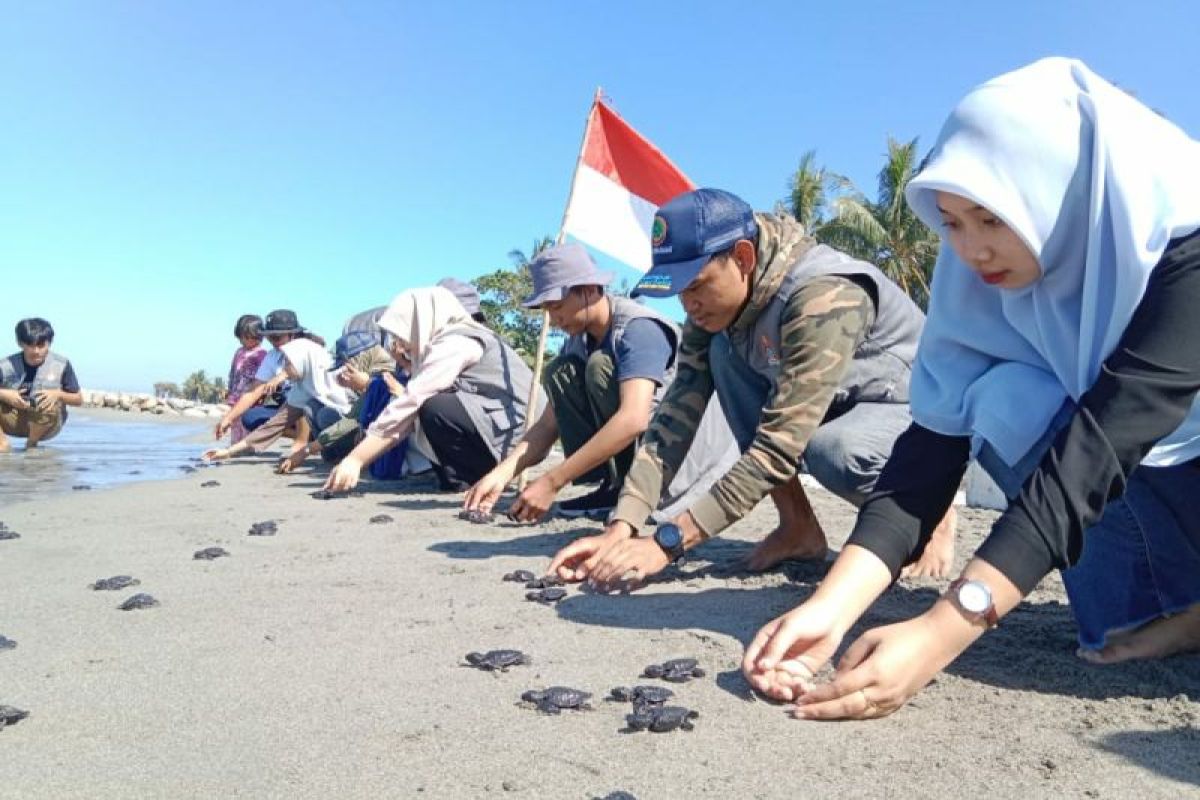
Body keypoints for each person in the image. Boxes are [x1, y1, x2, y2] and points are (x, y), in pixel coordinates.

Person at [741, 58, 1200, 721]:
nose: (971, 248)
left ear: (1062, 192)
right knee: (1002, 396)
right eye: (952, 221)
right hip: (1148, 461)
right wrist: (831, 608)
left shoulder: (1182, 236)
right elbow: (931, 447)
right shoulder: (981, 279)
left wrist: (943, 629)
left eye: (991, 217)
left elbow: (1102, 443)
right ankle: (1169, 609)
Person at [550, 186, 950, 583]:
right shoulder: (714, 311)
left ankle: (929, 508)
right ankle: (798, 527)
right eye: (678, 291)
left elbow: (779, 446)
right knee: (723, 353)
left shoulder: (823, 297)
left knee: (836, 452)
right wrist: (622, 527)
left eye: (695, 285)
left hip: (918, 415)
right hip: (830, 406)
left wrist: (668, 543)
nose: (687, 305)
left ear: (743, 257)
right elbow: (674, 416)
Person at [463, 243, 680, 521]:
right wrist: (500, 475)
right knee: (560, 371)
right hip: (638, 453)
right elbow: (548, 425)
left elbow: (633, 419)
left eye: (557, 307)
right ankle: (613, 485)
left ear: (589, 290)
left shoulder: (639, 329)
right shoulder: (579, 341)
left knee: (599, 365)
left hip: (673, 463)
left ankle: (636, 489)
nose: (553, 321)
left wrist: (553, 482)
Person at [324, 286, 545, 493]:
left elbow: (412, 400)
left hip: (519, 437)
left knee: (432, 406)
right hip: (505, 427)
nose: (401, 344)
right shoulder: (454, 339)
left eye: (404, 333)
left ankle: (475, 477)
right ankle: (461, 477)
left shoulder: (456, 342)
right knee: (428, 408)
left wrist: (356, 459)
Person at [205, 309, 321, 464]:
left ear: (292, 334)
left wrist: (281, 377)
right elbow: (254, 391)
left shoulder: (307, 348)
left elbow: (300, 375)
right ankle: (312, 437)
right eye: (269, 337)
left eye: (277, 337)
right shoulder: (273, 356)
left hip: (317, 406)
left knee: (299, 393)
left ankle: (301, 442)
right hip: (289, 408)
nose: (273, 341)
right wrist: (229, 418)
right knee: (251, 418)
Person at [0, 318, 82, 452]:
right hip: (12, 420)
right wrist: (5, 394)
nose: (36, 351)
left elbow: (78, 399)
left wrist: (58, 395)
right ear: (20, 343)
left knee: (48, 402)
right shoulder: (5, 365)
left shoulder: (61, 364)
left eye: (41, 345)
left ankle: (31, 444)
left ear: (49, 343)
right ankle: (2, 444)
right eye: (31, 345)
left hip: (47, 424)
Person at [225, 314, 267, 445]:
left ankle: (248, 446)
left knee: (248, 422)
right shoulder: (239, 352)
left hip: (252, 396)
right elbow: (233, 372)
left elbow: (265, 376)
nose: (247, 341)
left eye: (251, 338)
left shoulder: (261, 354)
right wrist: (230, 389)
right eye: (244, 337)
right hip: (236, 393)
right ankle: (235, 444)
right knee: (235, 422)